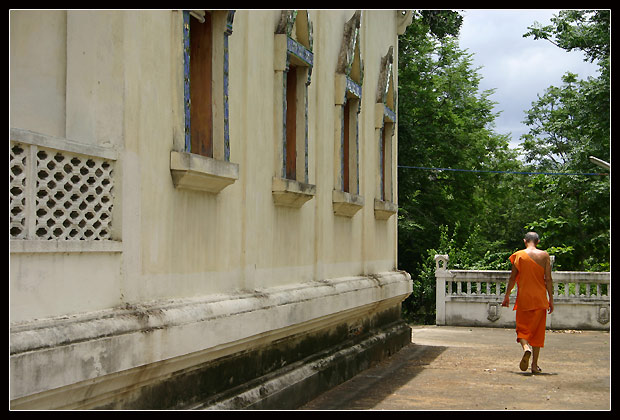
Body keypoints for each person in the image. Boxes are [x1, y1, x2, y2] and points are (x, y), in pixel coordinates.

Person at [502, 231, 554, 374]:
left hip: (524, 298)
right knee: (538, 332)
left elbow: (512, 278)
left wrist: (507, 296)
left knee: (522, 329)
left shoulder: (519, 255)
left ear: (525, 241)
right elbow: (548, 279)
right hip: (540, 298)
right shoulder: (544, 256)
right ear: (538, 242)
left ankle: (526, 348)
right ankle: (534, 365)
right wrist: (551, 299)